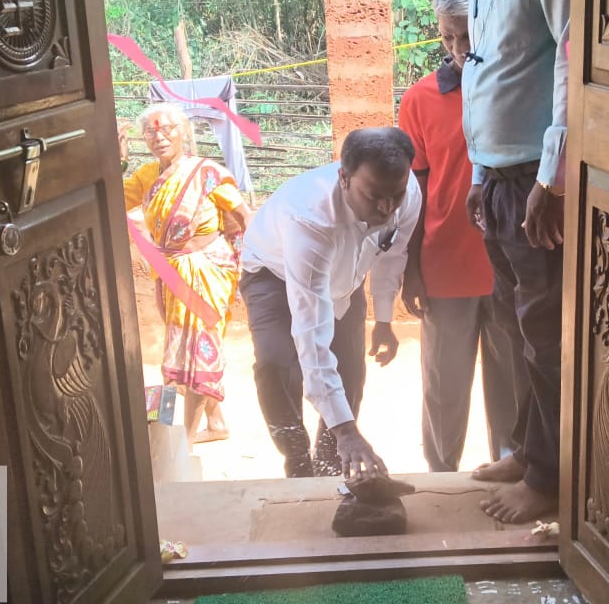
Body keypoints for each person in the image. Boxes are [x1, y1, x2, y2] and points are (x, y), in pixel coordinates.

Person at [424, 0, 572, 523]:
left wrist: (554, 178)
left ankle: (550, 479)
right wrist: (481, 173)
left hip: (539, 182)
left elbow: (573, 58)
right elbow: (487, 68)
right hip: (502, 180)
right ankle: (528, 450)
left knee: (547, 335)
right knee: (518, 330)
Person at [239, 127, 421, 482]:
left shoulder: (408, 189)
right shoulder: (309, 217)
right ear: (344, 178)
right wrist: (348, 432)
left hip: (345, 280)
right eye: (373, 196)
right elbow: (311, 333)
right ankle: (297, 459)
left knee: (350, 372)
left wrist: (384, 319)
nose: (386, 208)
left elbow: (392, 253)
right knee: (277, 363)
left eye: (394, 196)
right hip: (273, 272)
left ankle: (331, 459)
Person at [399, 0, 521, 473]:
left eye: (466, 35)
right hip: (445, 268)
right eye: (447, 36)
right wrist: (410, 268)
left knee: (512, 382)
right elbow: (414, 193)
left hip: (511, 266)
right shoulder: (420, 100)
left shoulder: (517, 90)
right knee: (444, 386)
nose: (457, 48)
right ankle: (441, 473)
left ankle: (510, 466)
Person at [124, 104, 251, 449]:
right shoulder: (146, 176)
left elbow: (243, 215)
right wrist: (118, 161)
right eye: (151, 131)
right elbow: (113, 199)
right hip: (170, 273)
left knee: (194, 352)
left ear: (183, 132)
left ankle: (185, 443)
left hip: (206, 270)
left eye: (167, 129)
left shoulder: (205, 172)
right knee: (185, 349)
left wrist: (251, 265)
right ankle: (215, 422)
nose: (159, 137)